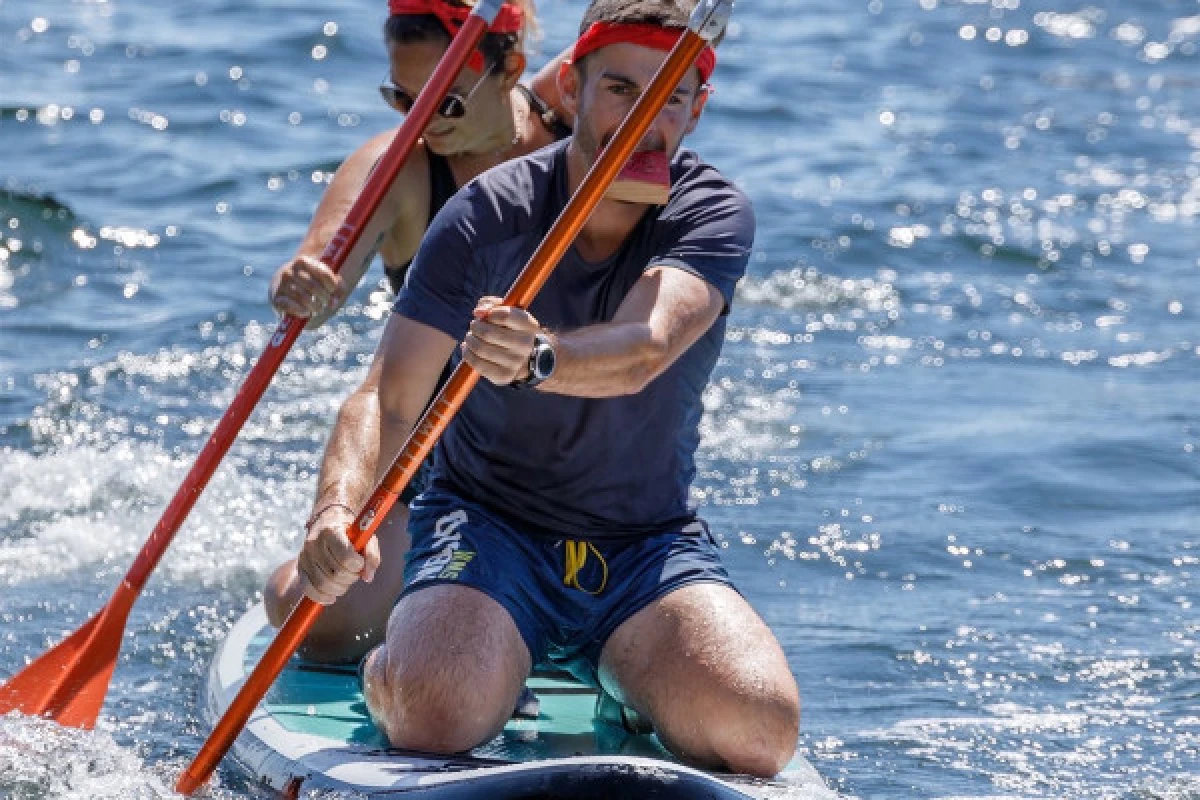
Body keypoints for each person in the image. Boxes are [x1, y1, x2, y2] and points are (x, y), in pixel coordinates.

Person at [296, 0, 801, 777]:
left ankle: (626, 677)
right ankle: (395, 668)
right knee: (438, 713)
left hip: (644, 545)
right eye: (620, 91)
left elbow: (647, 348)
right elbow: (387, 400)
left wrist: (540, 359)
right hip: (490, 529)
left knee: (760, 731)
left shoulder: (710, 212)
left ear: (699, 108)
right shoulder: (486, 214)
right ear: (571, 84)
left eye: (669, 98)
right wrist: (335, 510)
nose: (645, 122)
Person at [262, 0, 573, 660]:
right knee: (306, 620)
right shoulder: (399, 165)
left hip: (569, 438)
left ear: (510, 68)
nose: (422, 122)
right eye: (404, 98)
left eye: (446, 103)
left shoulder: (575, 126)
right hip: (443, 452)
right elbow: (322, 273)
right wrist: (302, 287)